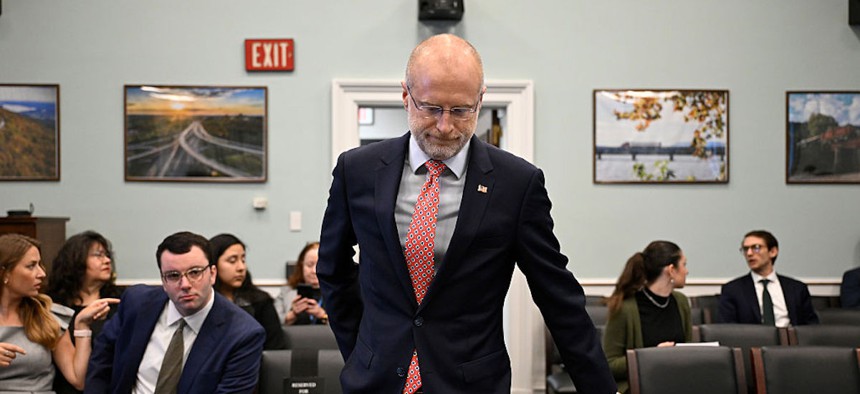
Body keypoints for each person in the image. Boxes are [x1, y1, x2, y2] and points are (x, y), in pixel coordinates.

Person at [317, 34, 615, 393]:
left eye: (461, 110)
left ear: (480, 100)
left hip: (470, 383)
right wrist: (362, 351)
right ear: (405, 97)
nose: (446, 126)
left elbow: (557, 297)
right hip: (374, 380)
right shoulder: (358, 170)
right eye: (430, 108)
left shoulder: (516, 184)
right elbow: (332, 270)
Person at [85, 231, 265, 393]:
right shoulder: (137, 303)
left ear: (212, 274)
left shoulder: (243, 334)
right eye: (173, 276)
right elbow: (102, 362)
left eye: (195, 273)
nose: (185, 285)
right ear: (163, 280)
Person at [0, 234, 118, 391]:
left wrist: (82, 327)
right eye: (31, 266)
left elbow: (79, 380)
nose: (41, 273)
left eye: (40, 265)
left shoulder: (47, 315)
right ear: (5, 273)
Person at [602, 241, 692, 394]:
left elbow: (689, 349)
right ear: (671, 270)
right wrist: (652, 356)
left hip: (677, 383)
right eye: (684, 264)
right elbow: (608, 364)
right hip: (640, 388)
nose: (687, 271)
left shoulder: (681, 302)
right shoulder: (625, 308)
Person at [46, 230, 124, 394]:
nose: (107, 260)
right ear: (76, 261)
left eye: (107, 255)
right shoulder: (55, 306)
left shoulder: (119, 301)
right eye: (98, 255)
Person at [719, 230, 819, 326]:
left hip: (791, 341)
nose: (749, 253)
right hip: (752, 342)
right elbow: (729, 329)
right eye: (745, 249)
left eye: (756, 248)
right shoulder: (733, 290)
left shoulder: (797, 288)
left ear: (773, 252)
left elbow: (811, 326)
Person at [209, 233, 286, 349]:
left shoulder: (261, 301)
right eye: (232, 261)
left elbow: (275, 350)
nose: (241, 267)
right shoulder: (203, 303)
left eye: (243, 260)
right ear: (213, 265)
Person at [274, 242, 327, 325]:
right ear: (301, 266)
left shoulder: (339, 293)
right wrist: (293, 314)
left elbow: (347, 327)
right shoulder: (286, 292)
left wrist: (323, 315)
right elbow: (273, 324)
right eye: (309, 265)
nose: (314, 271)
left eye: (319, 266)